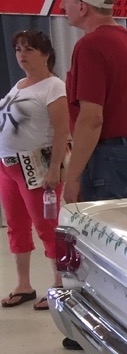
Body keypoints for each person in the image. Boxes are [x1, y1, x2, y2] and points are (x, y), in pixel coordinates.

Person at [51, 0, 127, 354]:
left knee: (100, 255)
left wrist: (72, 175)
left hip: (107, 157)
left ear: (82, 6)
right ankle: (124, 331)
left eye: (66, 0)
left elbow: (92, 118)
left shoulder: (91, 46)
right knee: (126, 251)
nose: (62, 6)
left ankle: (104, 344)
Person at [0, 31, 68, 310]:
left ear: (46, 54)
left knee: (46, 226)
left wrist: (54, 168)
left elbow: (62, 131)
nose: (22, 55)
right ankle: (23, 284)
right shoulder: (19, 85)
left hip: (36, 167)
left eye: (29, 49)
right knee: (16, 225)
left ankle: (60, 282)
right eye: (18, 49)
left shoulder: (53, 86)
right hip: (8, 166)